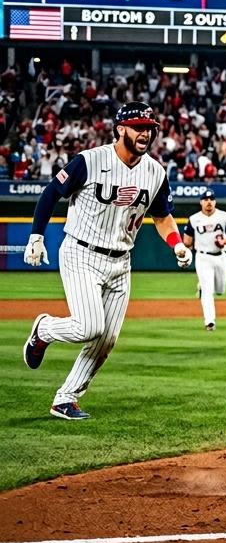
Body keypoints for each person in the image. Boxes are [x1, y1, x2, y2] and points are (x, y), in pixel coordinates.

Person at [21, 102, 192, 420]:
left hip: (121, 261)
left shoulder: (155, 172)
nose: (145, 132)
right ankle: (44, 329)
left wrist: (177, 244)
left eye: (149, 128)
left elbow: (162, 216)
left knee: (107, 339)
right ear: (121, 128)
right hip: (81, 252)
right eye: (138, 126)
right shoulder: (90, 160)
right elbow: (50, 194)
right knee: (89, 326)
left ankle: (65, 399)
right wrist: (36, 236)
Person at [186, 189, 226, 331]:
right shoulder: (194, 219)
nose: (209, 202)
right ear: (201, 202)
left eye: (211, 199)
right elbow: (187, 241)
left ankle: (201, 288)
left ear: (215, 202)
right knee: (208, 291)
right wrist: (186, 249)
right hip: (203, 257)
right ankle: (210, 322)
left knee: (220, 290)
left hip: (220, 256)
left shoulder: (224, 217)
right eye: (206, 199)